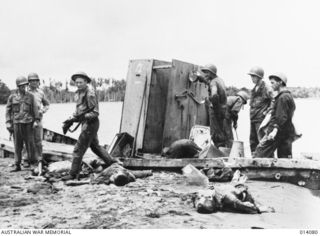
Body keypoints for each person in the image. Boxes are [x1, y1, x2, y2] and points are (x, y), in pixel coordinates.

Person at [62, 72, 122, 181]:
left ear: (86, 82)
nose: (78, 84)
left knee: (78, 149)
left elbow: (95, 113)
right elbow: (79, 110)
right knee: (95, 147)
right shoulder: (79, 93)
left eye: (81, 82)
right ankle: (113, 163)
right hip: (86, 123)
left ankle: (73, 174)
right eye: (77, 82)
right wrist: (71, 119)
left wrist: (81, 117)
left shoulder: (90, 93)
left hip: (91, 124)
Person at [254, 73, 296, 158]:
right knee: (285, 158)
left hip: (275, 133)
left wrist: (274, 131)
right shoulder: (288, 96)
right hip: (286, 133)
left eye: (272, 83)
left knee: (259, 153)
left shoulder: (282, 98)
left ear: (280, 82)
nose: (271, 85)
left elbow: (281, 116)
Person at [5, 76, 40, 172]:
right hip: (16, 123)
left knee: (30, 144)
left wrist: (36, 120)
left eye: (25, 85)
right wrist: (8, 122)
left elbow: (35, 109)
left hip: (28, 123)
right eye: (21, 86)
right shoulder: (12, 97)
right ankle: (17, 164)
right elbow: (8, 111)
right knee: (17, 145)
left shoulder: (31, 96)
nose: (23, 87)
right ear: (17, 86)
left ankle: (32, 163)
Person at [21, 73, 50, 168]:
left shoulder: (41, 93)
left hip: (38, 118)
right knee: (27, 140)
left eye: (35, 80)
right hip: (26, 119)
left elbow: (47, 104)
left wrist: (42, 111)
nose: (33, 82)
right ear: (28, 83)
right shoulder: (24, 93)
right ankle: (25, 159)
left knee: (38, 140)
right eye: (31, 81)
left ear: (38, 82)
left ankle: (39, 158)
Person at [200, 64, 228, 148]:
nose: (205, 75)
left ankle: (218, 151)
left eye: (206, 73)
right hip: (223, 109)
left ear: (211, 73)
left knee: (215, 132)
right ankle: (223, 149)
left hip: (216, 109)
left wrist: (210, 104)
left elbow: (215, 95)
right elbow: (212, 84)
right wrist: (202, 80)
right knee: (220, 131)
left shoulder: (213, 82)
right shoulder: (219, 80)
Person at [248, 66, 273, 155]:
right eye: (251, 76)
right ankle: (254, 161)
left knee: (263, 142)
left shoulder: (266, 88)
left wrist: (267, 111)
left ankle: (266, 160)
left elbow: (274, 100)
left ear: (259, 77)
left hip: (261, 120)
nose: (252, 78)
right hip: (253, 119)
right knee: (253, 141)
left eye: (253, 76)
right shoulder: (254, 89)